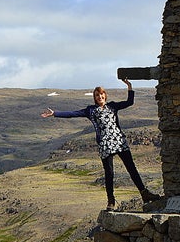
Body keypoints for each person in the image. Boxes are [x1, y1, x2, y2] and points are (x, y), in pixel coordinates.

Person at [41, 79, 160, 211]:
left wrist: (129, 86)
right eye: (97, 95)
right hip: (105, 145)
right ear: (95, 98)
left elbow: (129, 102)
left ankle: (144, 194)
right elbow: (73, 114)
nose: (100, 97)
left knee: (132, 168)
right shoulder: (91, 110)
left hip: (119, 141)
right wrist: (55, 114)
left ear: (105, 96)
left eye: (102, 94)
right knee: (109, 173)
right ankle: (111, 202)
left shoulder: (113, 106)